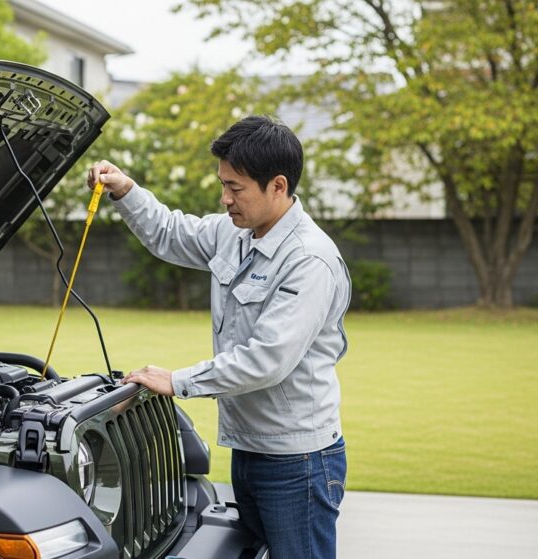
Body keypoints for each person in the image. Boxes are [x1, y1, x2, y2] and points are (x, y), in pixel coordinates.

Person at [88, 115, 351, 559]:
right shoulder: (235, 233)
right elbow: (170, 233)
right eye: (223, 185)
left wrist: (179, 381)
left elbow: (268, 358)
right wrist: (126, 190)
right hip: (249, 449)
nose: (224, 198)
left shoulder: (310, 260)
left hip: (298, 462)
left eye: (236, 187)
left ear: (278, 187)